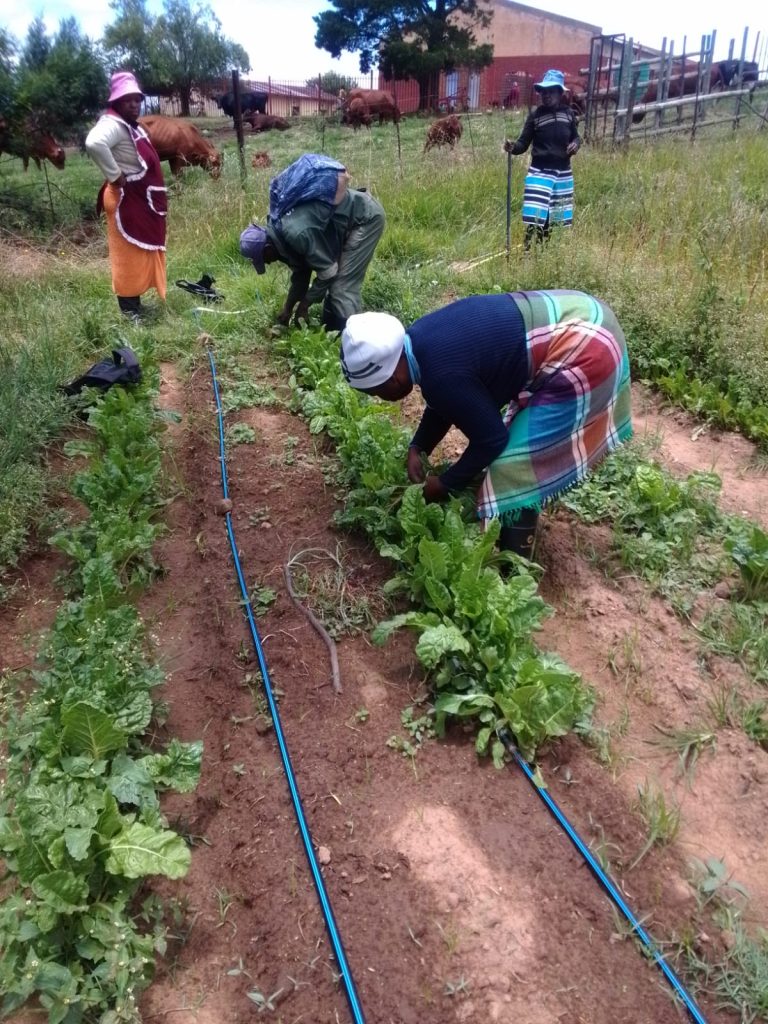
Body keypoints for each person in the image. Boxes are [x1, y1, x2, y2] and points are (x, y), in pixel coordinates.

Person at [339, 291, 632, 558]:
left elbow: (491, 439)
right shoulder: (421, 340)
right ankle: (515, 527)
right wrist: (419, 446)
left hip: (586, 348)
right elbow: (446, 401)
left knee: (513, 465)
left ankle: (514, 564)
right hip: (583, 313)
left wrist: (444, 484)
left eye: (377, 392)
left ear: (393, 379)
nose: (381, 398)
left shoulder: (440, 376)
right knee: (516, 442)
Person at [239, 155, 385, 332]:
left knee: (342, 286)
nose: (267, 263)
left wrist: (305, 304)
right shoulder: (279, 236)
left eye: (263, 259)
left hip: (364, 219)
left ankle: (353, 341)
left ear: (268, 248)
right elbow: (301, 274)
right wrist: (288, 308)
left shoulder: (295, 233)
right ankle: (333, 330)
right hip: (347, 223)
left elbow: (328, 271)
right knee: (336, 285)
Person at [85, 71, 167, 320]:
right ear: (116, 102)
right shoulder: (112, 124)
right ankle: (129, 310)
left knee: (139, 254)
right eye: (127, 99)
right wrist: (114, 174)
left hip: (140, 198)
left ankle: (136, 304)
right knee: (127, 257)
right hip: (126, 199)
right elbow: (93, 142)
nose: (133, 104)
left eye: (136, 99)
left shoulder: (129, 125)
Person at [503, 69, 580, 250]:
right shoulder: (535, 116)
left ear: (560, 93)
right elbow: (523, 143)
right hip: (540, 173)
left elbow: (576, 137)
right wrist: (512, 147)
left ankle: (546, 250)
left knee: (556, 216)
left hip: (562, 173)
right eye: (543, 91)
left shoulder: (568, 114)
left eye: (551, 91)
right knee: (538, 216)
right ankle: (529, 250)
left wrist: (576, 144)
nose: (546, 95)